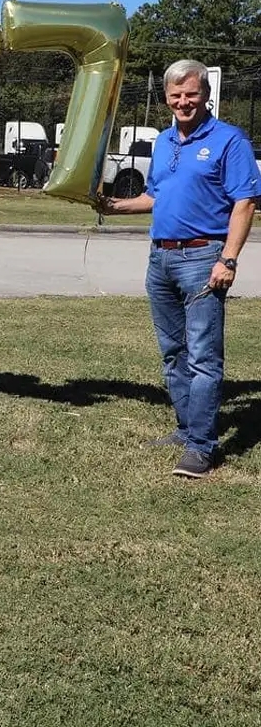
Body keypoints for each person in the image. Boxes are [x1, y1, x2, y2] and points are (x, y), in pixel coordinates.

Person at [101, 59, 260, 477]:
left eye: (191, 94)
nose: (184, 102)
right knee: (174, 353)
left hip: (204, 258)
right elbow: (155, 196)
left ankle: (202, 448)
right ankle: (189, 428)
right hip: (161, 258)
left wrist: (229, 258)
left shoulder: (229, 140)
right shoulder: (164, 142)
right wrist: (111, 207)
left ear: (206, 95)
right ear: (167, 98)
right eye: (176, 96)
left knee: (204, 357)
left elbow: (245, 203)